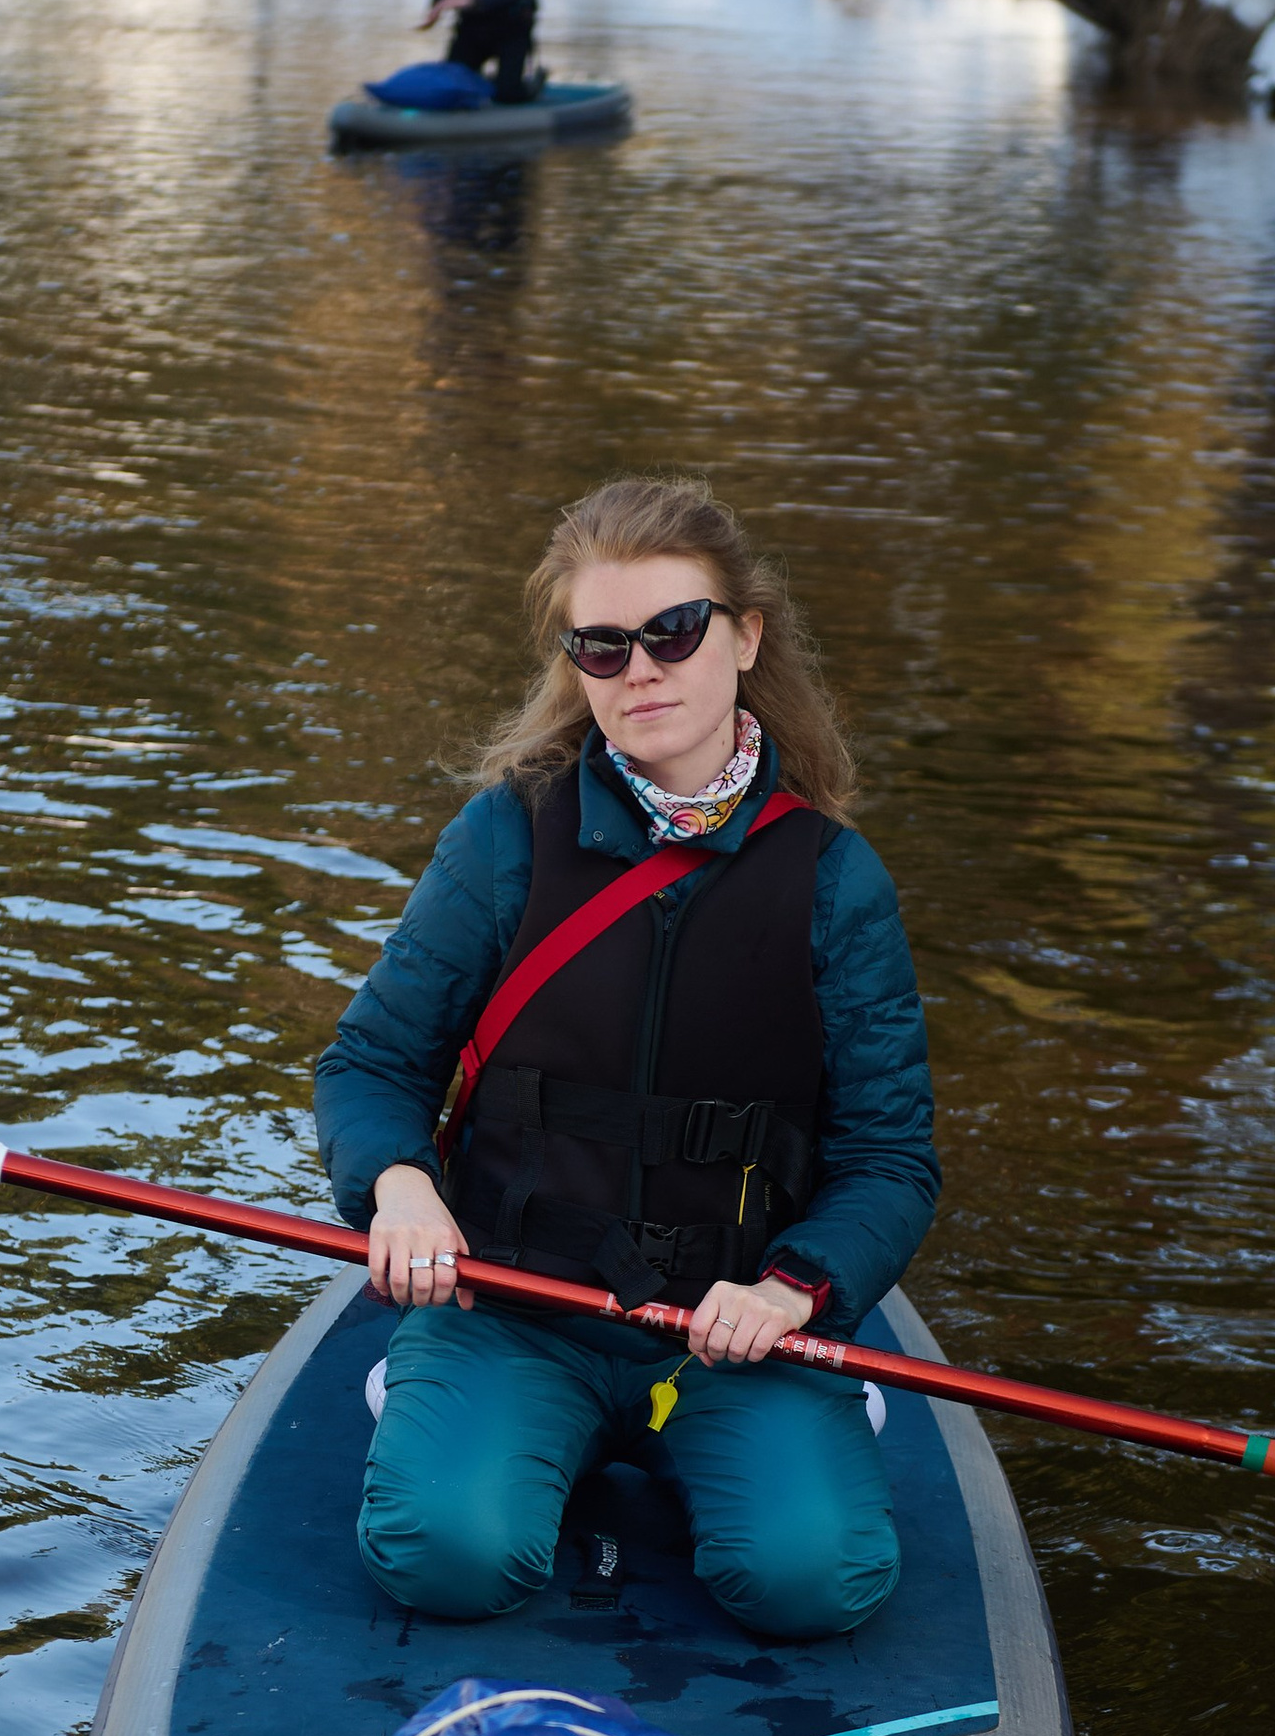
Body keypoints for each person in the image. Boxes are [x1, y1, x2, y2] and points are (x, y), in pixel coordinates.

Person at [314, 477, 938, 1643]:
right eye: (602, 645)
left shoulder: (834, 879)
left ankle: (796, 1417)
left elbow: (890, 1159)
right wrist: (398, 1185)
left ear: (745, 637)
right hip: (514, 1303)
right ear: (577, 665)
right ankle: (432, 1388)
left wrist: (792, 1290)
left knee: (813, 1583)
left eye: (673, 631)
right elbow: (371, 1064)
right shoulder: (505, 836)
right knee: (444, 1557)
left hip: (731, 1332)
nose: (640, 669)